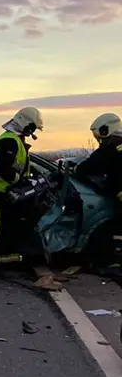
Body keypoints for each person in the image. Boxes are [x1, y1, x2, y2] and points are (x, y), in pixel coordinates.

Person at [0, 107, 44, 271]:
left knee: (4, 224)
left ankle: (0, 257)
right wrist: (19, 182)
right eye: (32, 127)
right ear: (25, 123)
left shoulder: (14, 140)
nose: (32, 131)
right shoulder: (10, 141)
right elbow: (3, 168)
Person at [74, 113, 122, 266]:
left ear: (105, 130)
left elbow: (89, 167)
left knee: (108, 228)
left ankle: (107, 261)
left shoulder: (111, 149)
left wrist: (75, 169)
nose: (99, 140)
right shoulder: (116, 147)